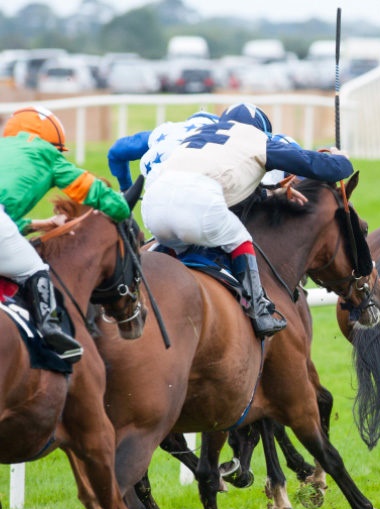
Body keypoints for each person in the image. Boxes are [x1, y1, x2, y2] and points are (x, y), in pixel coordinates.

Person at [140, 102, 353, 338]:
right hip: (196, 205)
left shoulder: (199, 134)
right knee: (239, 237)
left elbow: (228, 180)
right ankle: (259, 309)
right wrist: (340, 159)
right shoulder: (256, 140)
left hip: (152, 207)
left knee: (175, 245)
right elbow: (323, 168)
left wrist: (271, 192)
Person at [0, 106, 131, 362]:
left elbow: (8, 219)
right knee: (34, 269)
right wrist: (121, 208)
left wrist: (41, 223)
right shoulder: (47, 154)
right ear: (51, 142)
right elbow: (94, 191)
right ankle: (52, 330)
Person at [107, 110, 220, 191]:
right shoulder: (226, 137)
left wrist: (126, 189)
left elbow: (116, 151)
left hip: (157, 188)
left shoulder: (167, 130)